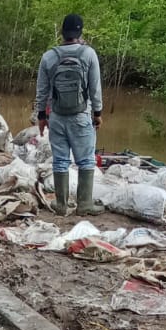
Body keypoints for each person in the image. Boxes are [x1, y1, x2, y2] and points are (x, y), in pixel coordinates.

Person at [35, 14, 103, 216]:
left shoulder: (48, 56)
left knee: (60, 161)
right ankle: (84, 205)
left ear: (62, 33)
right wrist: (98, 113)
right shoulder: (88, 54)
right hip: (81, 115)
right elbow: (95, 88)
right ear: (80, 33)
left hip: (56, 116)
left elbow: (42, 90)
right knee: (86, 160)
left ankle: (61, 205)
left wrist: (41, 116)